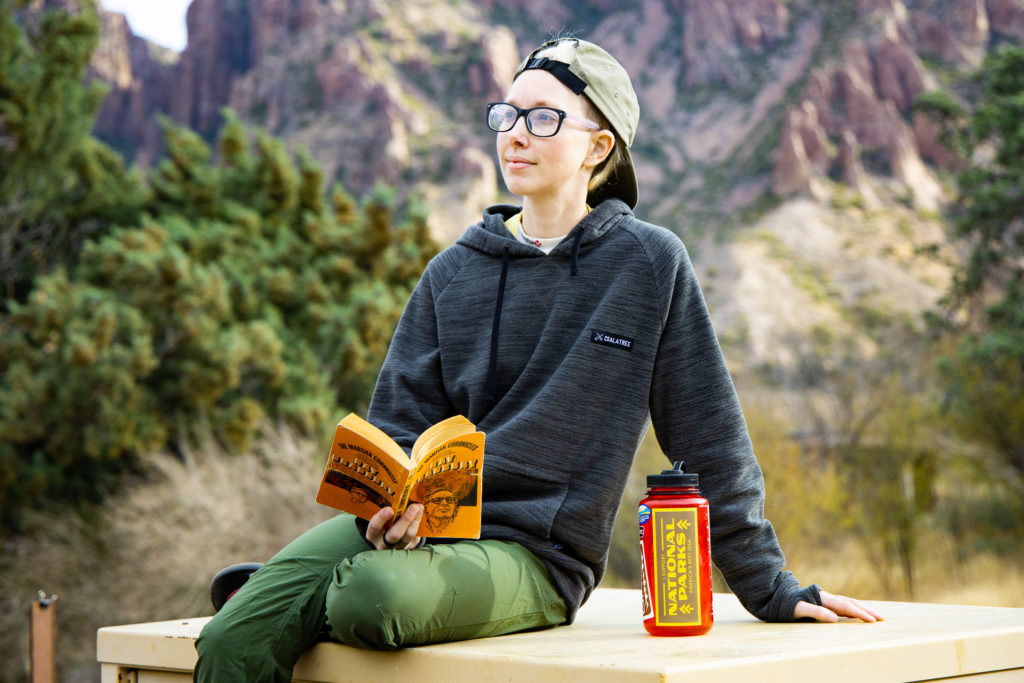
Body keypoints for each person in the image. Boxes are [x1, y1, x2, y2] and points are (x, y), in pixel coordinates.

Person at [194, 36, 882, 681]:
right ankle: (281, 595)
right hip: (412, 540)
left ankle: (286, 595)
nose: (516, 133)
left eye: (545, 118)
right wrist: (386, 507)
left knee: (366, 600)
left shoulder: (647, 265)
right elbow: (398, 426)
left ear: (598, 146)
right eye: (508, 113)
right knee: (228, 639)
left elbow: (708, 435)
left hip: (535, 555)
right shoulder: (451, 273)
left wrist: (770, 587)